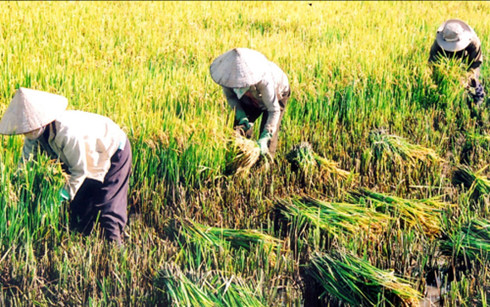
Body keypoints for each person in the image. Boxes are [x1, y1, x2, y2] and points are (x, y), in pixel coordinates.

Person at [0, 88, 131, 245]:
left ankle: (116, 249)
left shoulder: (66, 132)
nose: (28, 130)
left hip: (113, 147)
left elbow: (80, 171)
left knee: (108, 206)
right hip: (84, 157)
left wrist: (60, 197)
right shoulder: (32, 136)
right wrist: (17, 193)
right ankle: (84, 244)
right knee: (79, 209)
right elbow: (25, 167)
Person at [210, 48, 290, 157]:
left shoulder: (264, 80)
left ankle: (264, 164)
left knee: (268, 140)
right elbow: (231, 98)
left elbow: (273, 110)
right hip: (250, 97)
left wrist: (266, 135)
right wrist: (241, 116)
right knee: (239, 131)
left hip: (276, 94)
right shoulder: (227, 78)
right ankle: (241, 160)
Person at [429, 19, 485, 106]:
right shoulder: (437, 45)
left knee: (475, 84)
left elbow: (475, 64)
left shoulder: (473, 43)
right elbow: (432, 64)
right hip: (447, 62)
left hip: (468, 61)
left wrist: (466, 78)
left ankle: (477, 103)